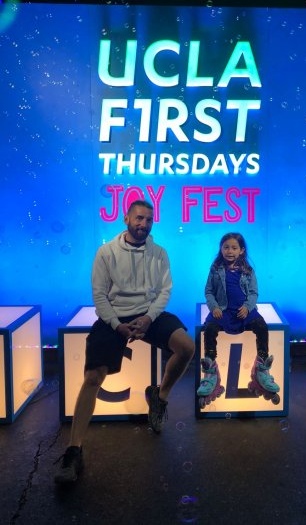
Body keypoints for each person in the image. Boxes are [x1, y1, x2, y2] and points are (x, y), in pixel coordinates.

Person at [55, 200, 194, 484]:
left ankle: (160, 397)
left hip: (149, 315)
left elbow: (164, 292)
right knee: (93, 377)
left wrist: (148, 318)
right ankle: (73, 450)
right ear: (126, 218)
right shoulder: (106, 253)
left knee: (187, 347)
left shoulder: (160, 253)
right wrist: (118, 325)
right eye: (139, 218)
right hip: (114, 319)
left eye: (148, 220)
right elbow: (100, 297)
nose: (143, 224)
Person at [197, 233, 280, 407]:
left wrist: (248, 307)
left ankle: (262, 368)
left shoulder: (248, 270)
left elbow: (253, 292)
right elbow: (209, 291)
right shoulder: (215, 268)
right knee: (210, 328)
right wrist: (214, 307)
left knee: (261, 326)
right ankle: (211, 370)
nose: (230, 251)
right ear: (221, 249)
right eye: (226, 247)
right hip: (223, 311)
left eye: (234, 248)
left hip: (243, 311)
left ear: (242, 251)